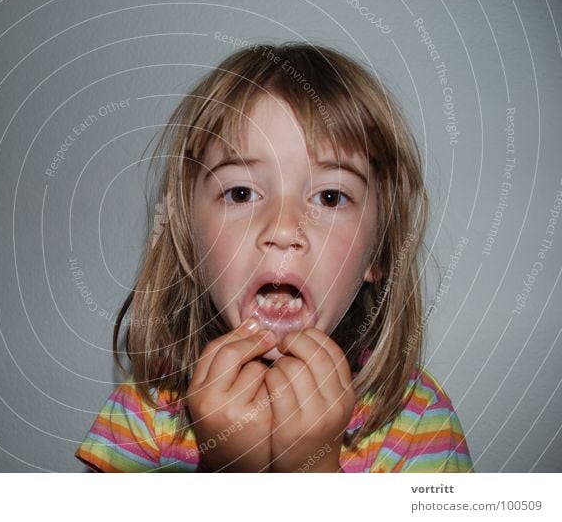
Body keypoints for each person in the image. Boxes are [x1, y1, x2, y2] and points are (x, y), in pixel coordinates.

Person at [74, 42, 473, 472]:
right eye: (241, 193)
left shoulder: (419, 425)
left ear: (376, 254)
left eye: (330, 196)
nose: (283, 229)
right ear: (192, 240)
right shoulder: (147, 408)